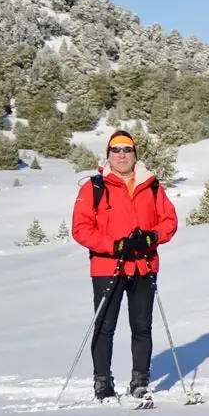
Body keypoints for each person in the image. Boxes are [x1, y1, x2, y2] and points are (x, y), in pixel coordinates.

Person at [70, 129, 180, 400]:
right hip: (108, 266)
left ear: (135, 154)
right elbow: (81, 228)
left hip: (143, 264)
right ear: (108, 155)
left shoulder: (151, 185)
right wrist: (115, 244)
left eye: (127, 150)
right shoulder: (94, 187)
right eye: (116, 150)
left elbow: (169, 221)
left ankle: (140, 380)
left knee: (142, 326)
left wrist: (152, 237)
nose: (122, 155)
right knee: (105, 326)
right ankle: (102, 382)